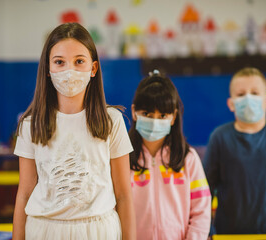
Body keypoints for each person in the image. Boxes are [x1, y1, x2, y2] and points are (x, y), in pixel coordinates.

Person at [12, 23, 136, 240]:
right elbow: (24, 193)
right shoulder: (31, 124)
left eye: (79, 61)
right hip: (43, 230)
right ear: (48, 70)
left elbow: (124, 195)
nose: (69, 70)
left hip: (99, 230)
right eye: (59, 62)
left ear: (94, 68)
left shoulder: (112, 121)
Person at [203, 67, 266, 235]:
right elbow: (204, 188)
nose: (248, 98)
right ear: (231, 103)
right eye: (241, 94)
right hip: (228, 235)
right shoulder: (219, 137)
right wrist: (207, 228)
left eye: (255, 93)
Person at [128, 70, 211, 240]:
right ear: (134, 111)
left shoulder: (188, 158)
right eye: (147, 114)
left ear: (173, 117)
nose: (155, 121)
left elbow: (201, 210)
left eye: (163, 115)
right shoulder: (121, 157)